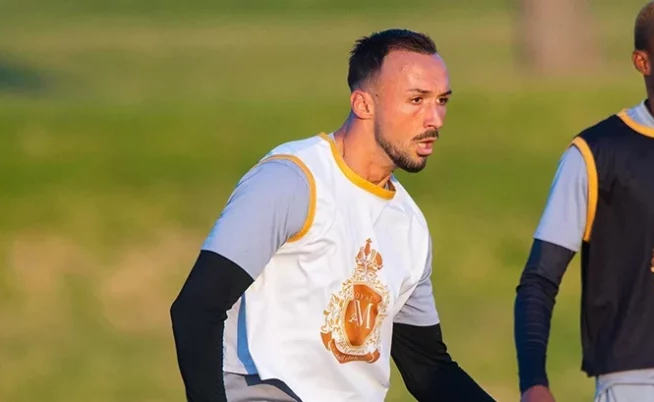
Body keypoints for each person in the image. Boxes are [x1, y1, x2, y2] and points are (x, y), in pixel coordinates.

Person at [170, 28, 495, 402]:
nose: (435, 118)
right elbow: (197, 309)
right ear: (363, 104)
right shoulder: (291, 182)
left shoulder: (410, 227)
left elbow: (428, 369)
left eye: (442, 101)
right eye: (416, 100)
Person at [514, 1, 654, 401]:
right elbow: (539, 280)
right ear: (642, 62)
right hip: (635, 386)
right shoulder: (597, 154)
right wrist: (533, 383)